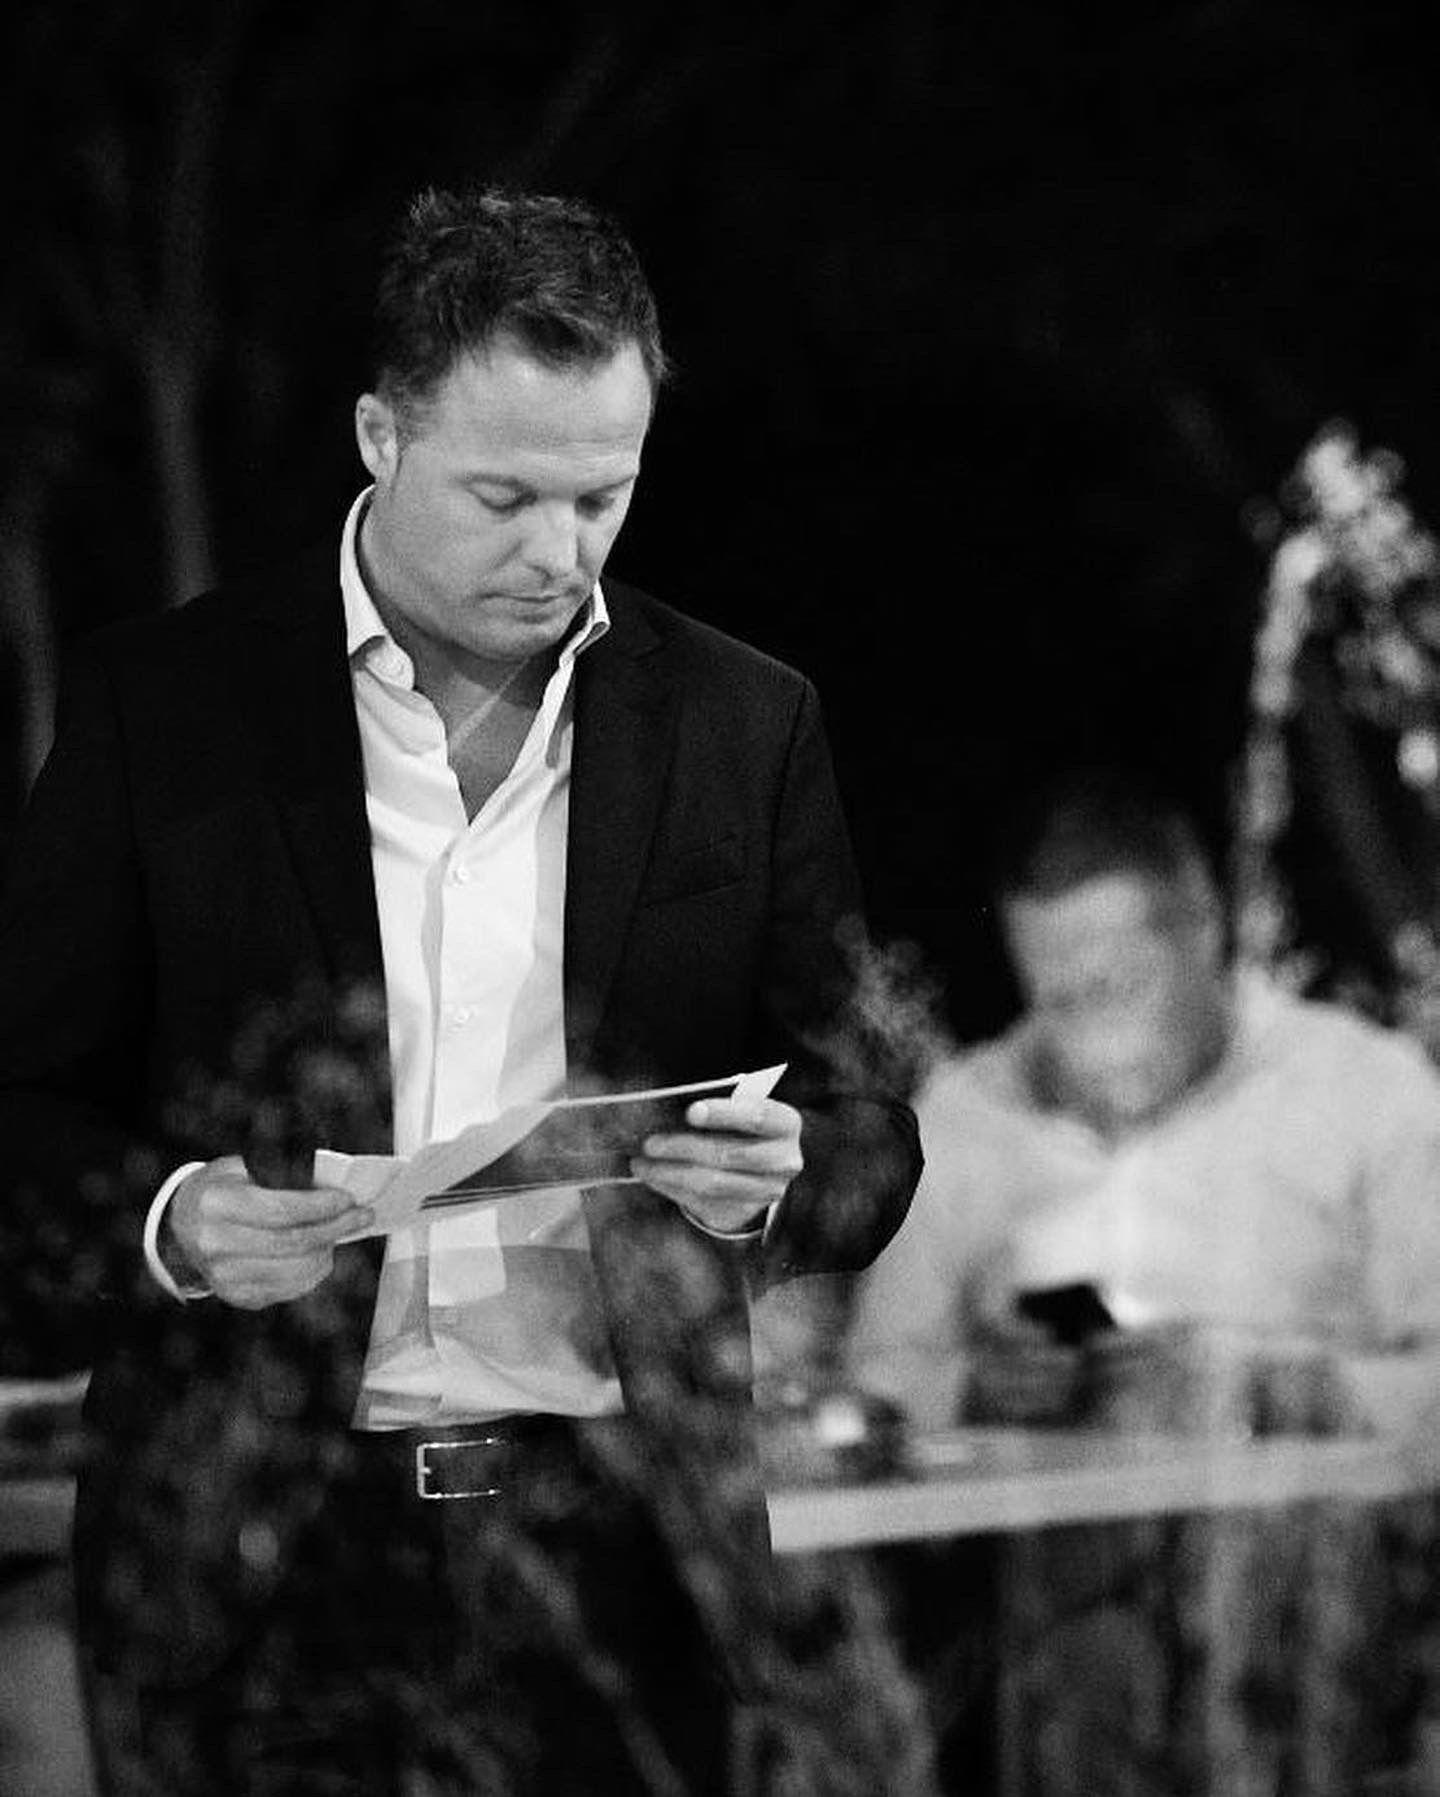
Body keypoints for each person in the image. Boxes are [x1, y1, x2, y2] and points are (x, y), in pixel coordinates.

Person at [0, 184, 921, 1795]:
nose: (558, 552)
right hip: (259, 1560)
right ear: (380, 435)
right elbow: (19, 1112)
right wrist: (168, 1221)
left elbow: (869, 1125)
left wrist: (790, 1177)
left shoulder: (740, 722)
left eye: (602, 496)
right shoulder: (167, 706)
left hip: (627, 1546)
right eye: (504, 495)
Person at [846, 765, 1440, 1795]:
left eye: (1120, 988)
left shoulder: (1365, 1094)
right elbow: (872, 1383)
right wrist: (980, 1387)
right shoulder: (969, 1113)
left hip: (1318, 1640)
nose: (1090, 1035)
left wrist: (1274, 1391)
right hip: (1044, 1658)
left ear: (1207, 929)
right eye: (1058, 999)